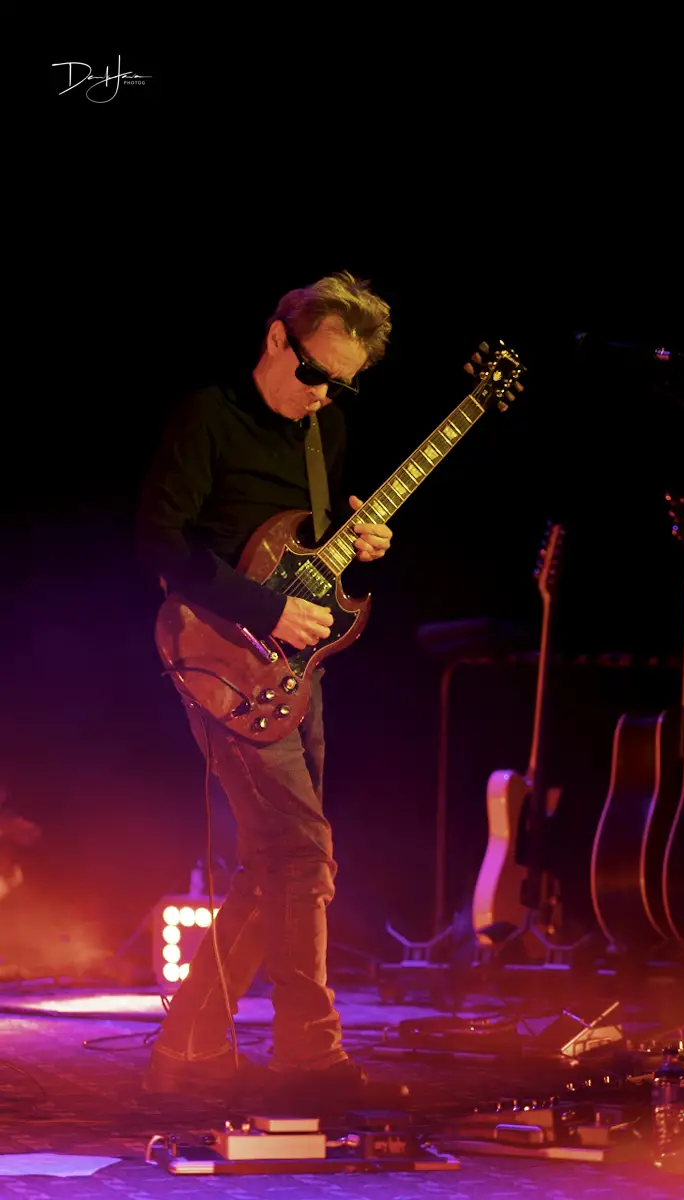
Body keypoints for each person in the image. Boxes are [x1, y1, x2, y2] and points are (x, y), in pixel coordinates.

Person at [136, 271, 396, 1105]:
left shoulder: (327, 435)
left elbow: (306, 556)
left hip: (293, 667)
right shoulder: (208, 417)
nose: (322, 396)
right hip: (217, 658)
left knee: (277, 865)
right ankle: (309, 1058)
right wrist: (270, 610)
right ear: (278, 339)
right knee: (300, 853)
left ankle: (188, 1049)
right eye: (314, 373)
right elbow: (160, 543)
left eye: (340, 384)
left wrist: (357, 544)